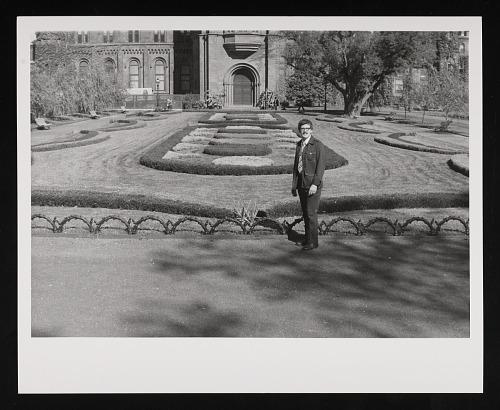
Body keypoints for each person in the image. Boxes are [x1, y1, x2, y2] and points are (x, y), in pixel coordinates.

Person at [291, 119, 326, 251]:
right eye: (302, 129)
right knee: (305, 214)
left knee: (311, 214)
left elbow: (320, 167)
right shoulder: (299, 145)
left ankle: (313, 242)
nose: (305, 131)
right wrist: (294, 186)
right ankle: (307, 239)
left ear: (311, 130)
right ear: (299, 131)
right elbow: (296, 168)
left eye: (307, 128)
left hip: (312, 186)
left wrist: (315, 185)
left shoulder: (318, 145)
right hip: (301, 185)